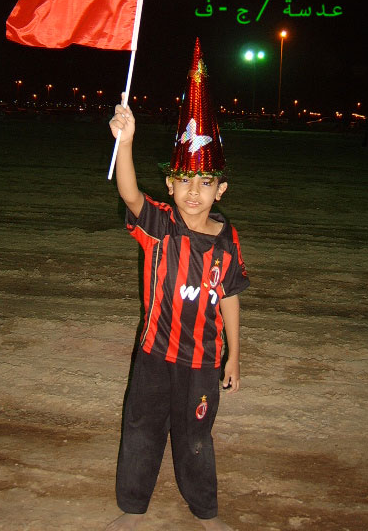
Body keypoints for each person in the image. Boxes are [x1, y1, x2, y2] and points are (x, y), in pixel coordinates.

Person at [106, 39, 249, 531]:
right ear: (169, 185)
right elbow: (129, 193)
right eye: (185, 181)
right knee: (141, 431)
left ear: (220, 189)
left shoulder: (227, 240)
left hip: (202, 363)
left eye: (205, 183)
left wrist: (234, 355)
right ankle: (131, 509)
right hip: (153, 357)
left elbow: (229, 297)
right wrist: (126, 142)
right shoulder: (160, 226)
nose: (194, 192)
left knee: (196, 438)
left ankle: (205, 511)